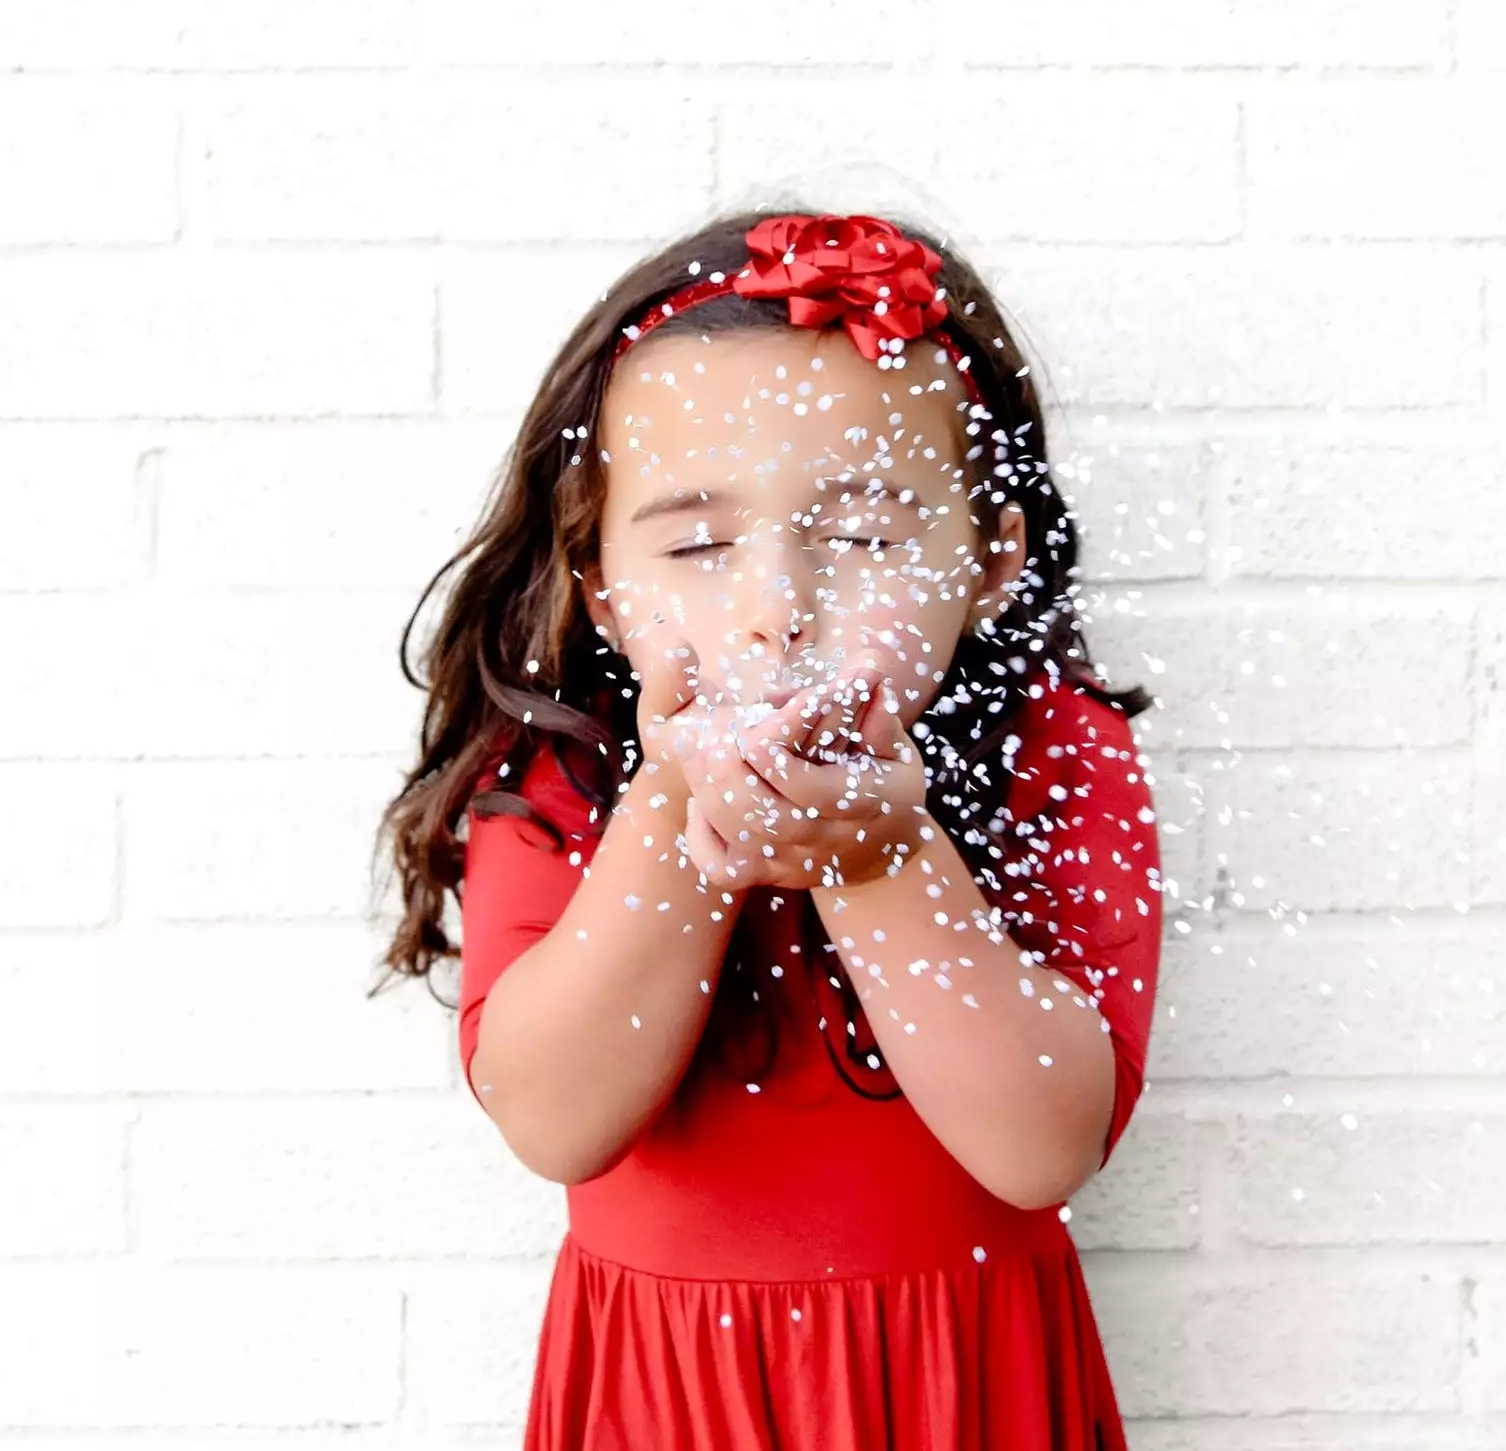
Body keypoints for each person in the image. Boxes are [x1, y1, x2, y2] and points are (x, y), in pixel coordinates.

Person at [373, 208, 1164, 1450]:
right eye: (695, 543)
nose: (777, 607)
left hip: (961, 1387)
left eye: (861, 536)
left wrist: (883, 862)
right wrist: (677, 809)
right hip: (667, 1393)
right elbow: (553, 1119)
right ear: (600, 589)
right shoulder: (559, 772)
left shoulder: (1055, 757)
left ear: (990, 562)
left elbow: (1038, 1147)